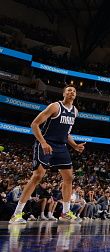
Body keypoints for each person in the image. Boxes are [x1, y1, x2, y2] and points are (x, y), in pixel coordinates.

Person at [9, 85, 86, 224]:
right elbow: (34, 124)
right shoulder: (55, 107)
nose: (72, 92)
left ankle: (65, 213)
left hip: (61, 146)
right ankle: (17, 214)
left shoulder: (75, 111)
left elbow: (66, 133)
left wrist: (74, 145)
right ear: (63, 93)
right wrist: (43, 143)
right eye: (69, 90)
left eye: (74, 91)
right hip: (46, 143)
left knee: (69, 177)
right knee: (38, 175)